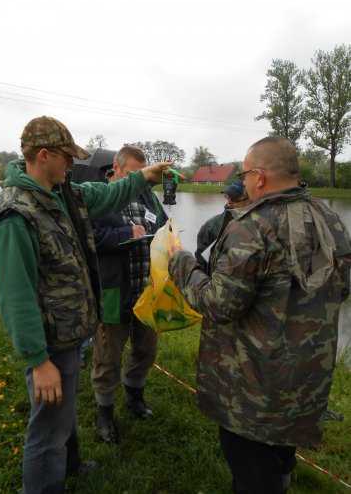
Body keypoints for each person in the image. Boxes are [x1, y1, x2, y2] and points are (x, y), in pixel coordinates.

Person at [0, 116, 172, 494]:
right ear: (43, 154)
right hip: (49, 343)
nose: (73, 164)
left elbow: (105, 196)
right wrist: (38, 361)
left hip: (71, 332)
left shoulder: (61, 191)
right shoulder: (16, 215)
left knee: (63, 416)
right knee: (46, 433)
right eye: (67, 157)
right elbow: (15, 295)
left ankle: (69, 466)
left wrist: (143, 176)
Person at [167, 136, 351, 494]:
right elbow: (343, 288)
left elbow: (218, 305)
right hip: (304, 377)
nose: (244, 181)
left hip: (252, 387)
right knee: (282, 449)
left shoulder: (251, 226)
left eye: (245, 173)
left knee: (250, 465)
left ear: (260, 177)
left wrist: (180, 261)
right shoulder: (329, 217)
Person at [91, 145, 167, 444]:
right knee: (107, 358)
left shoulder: (147, 194)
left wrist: (167, 236)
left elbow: (159, 225)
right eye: (134, 174)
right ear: (116, 166)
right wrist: (126, 234)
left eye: (142, 173)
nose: (140, 179)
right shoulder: (98, 195)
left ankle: (135, 397)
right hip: (114, 292)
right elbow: (88, 236)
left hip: (145, 291)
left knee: (146, 350)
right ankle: (105, 415)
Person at [195, 180, 249, 270]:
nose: (229, 202)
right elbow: (201, 259)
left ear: (248, 200)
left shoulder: (259, 225)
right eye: (228, 197)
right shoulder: (210, 225)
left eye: (234, 198)